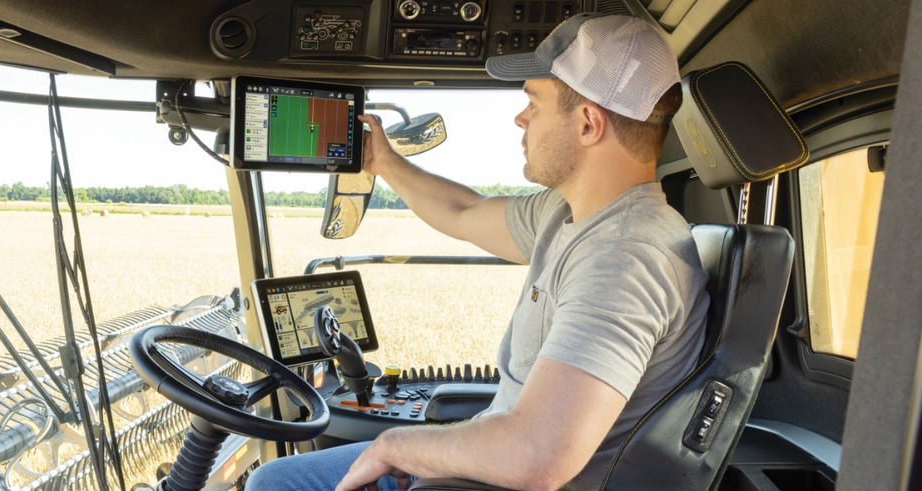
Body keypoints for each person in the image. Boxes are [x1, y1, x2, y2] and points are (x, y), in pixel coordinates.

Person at [246, 12, 709, 491]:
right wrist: (382, 161)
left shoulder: (623, 256)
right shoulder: (572, 214)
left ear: (589, 124)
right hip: (490, 467)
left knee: (274, 484)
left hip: (505, 478)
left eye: (534, 102)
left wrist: (397, 446)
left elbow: (538, 455)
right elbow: (464, 211)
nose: (520, 117)